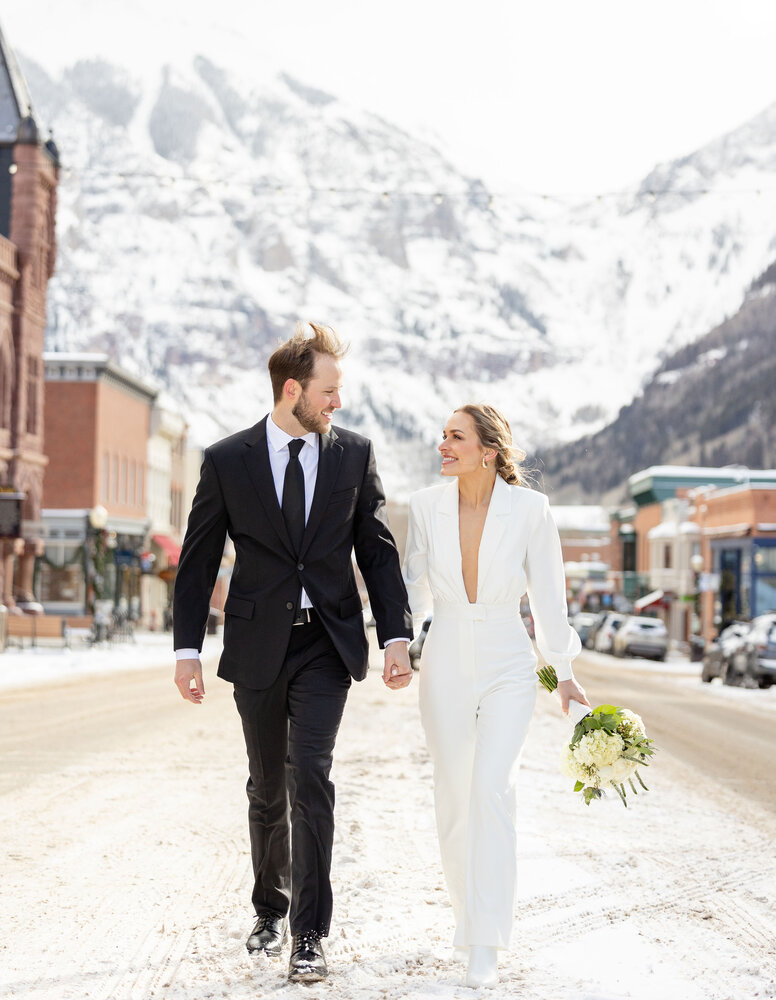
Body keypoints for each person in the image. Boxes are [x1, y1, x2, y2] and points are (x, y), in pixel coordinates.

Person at [173, 323, 413, 983]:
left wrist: (395, 635)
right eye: (329, 390)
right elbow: (196, 563)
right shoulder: (228, 460)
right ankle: (269, 908)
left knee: (311, 776)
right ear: (292, 390)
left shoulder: (353, 456)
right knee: (267, 785)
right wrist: (187, 648)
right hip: (256, 644)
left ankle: (310, 933)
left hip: (326, 644)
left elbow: (378, 552)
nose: (337, 402)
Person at [402, 403, 590, 989]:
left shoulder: (531, 511)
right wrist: (398, 644)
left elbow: (550, 599)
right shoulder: (425, 507)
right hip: (446, 655)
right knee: (455, 795)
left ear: (488, 448)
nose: (443, 445)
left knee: (491, 788)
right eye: (442, 436)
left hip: (509, 658)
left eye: (455, 437)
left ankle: (487, 938)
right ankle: (468, 918)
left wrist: (563, 670)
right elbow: (412, 588)